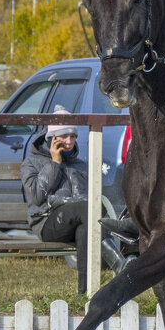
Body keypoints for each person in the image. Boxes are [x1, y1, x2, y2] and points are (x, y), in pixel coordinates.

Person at [21, 106, 129, 294]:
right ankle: (118, 263)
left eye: (73, 136)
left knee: (85, 226)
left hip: (80, 219)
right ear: (51, 137)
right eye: (64, 136)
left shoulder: (80, 165)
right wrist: (55, 163)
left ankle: (84, 294)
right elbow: (37, 197)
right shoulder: (32, 162)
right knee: (86, 209)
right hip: (48, 222)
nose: (69, 142)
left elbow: (93, 196)